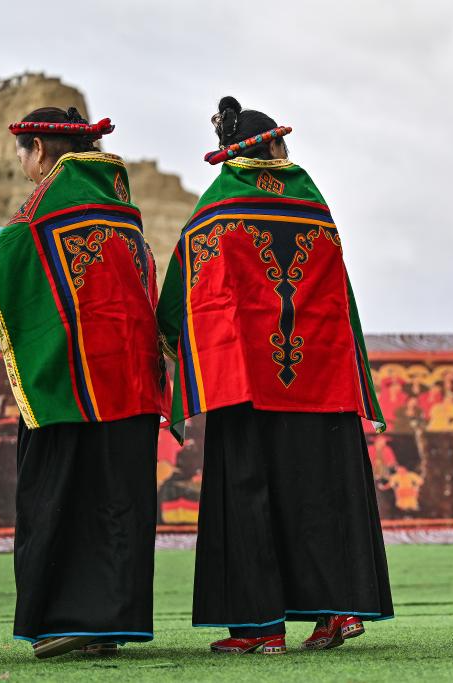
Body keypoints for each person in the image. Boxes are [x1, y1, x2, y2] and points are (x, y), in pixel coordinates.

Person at [157, 97, 392, 655]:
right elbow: (340, 296)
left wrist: (178, 344)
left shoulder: (220, 205)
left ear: (231, 155)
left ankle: (261, 627)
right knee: (321, 492)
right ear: (276, 149)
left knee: (249, 493)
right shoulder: (315, 204)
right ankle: (336, 612)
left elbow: (185, 296)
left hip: (248, 384)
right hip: (322, 379)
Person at [0, 107, 165, 658]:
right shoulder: (123, 212)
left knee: (62, 494)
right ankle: (112, 623)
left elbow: (4, 260)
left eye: (24, 152)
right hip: (129, 381)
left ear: (41, 150)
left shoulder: (45, 209)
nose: (22, 164)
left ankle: (68, 617)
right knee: (120, 498)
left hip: (71, 382)